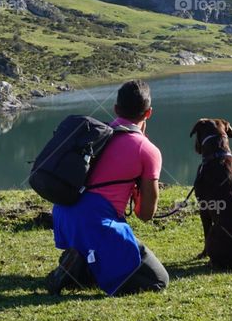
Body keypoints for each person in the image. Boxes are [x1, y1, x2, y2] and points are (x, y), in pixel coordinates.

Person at [47, 79, 169, 295]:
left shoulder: (95, 136)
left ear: (115, 109)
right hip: (96, 222)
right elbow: (146, 214)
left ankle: (77, 259)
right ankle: (79, 270)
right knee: (158, 280)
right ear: (148, 113)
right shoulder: (147, 150)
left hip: (64, 214)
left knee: (105, 251)